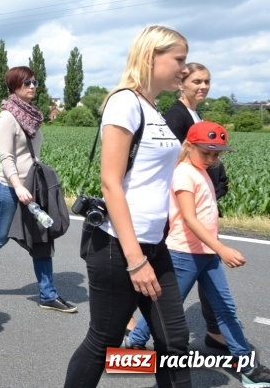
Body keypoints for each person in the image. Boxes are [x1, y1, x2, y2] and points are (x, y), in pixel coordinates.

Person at [64, 25, 191, 387]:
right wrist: (136, 260)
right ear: (152, 57)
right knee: (104, 341)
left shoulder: (154, 108)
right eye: (178, 59)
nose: (184, 68)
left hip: (154, 244)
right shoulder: (125, 102)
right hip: (119, 248)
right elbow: (111, 182)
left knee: (174, 341)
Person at [125, 121, 270, 386]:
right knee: (166, 308)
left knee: (226, 308)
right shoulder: (183, 173)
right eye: (206, 152)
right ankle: (134, 342)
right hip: (184, 255)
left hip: (206, 254)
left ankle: (247, 367)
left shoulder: (201, 170)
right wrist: (222, 248)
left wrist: (214, 249)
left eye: (216, 154)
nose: (212, 159)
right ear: (189, 146)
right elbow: (190, 220)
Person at [0, 66, 76, 313]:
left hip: (32, 188)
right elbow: (6, 157)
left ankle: (48, 295)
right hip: (10, 189)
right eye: (28, 83)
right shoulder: (7, 118)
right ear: (16, 86)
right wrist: (17, 186)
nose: (33, 86)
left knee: (41, 239)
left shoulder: (33, 116)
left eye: (35, 82)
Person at [163, 62, 231, 350]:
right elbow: (174, 162)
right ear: (181, 83)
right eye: (196, 81)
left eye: (207, 81)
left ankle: (216, 331)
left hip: (202, 203)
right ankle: (135, 329)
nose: (203, 86)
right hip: (184, 207)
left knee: (204, 270)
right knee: (178, 278)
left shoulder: (193, 113)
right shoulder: (176, 116)